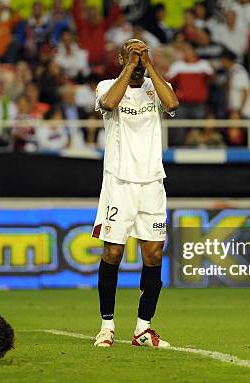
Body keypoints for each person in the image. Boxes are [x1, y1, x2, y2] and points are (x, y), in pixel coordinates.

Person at [93, 38, 178, 349]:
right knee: (113, 252)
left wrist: (149, 65)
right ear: (120, 57)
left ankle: (144, 328)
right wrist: (130, 65)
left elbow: (172, 105)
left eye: (142, 52)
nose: (139, 57)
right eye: (132, 51)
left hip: (152, 182)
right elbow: (109, 104)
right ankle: (106, 325)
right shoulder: (106, 85)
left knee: (153, 254)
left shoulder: (157, 85)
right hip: (119, 183)